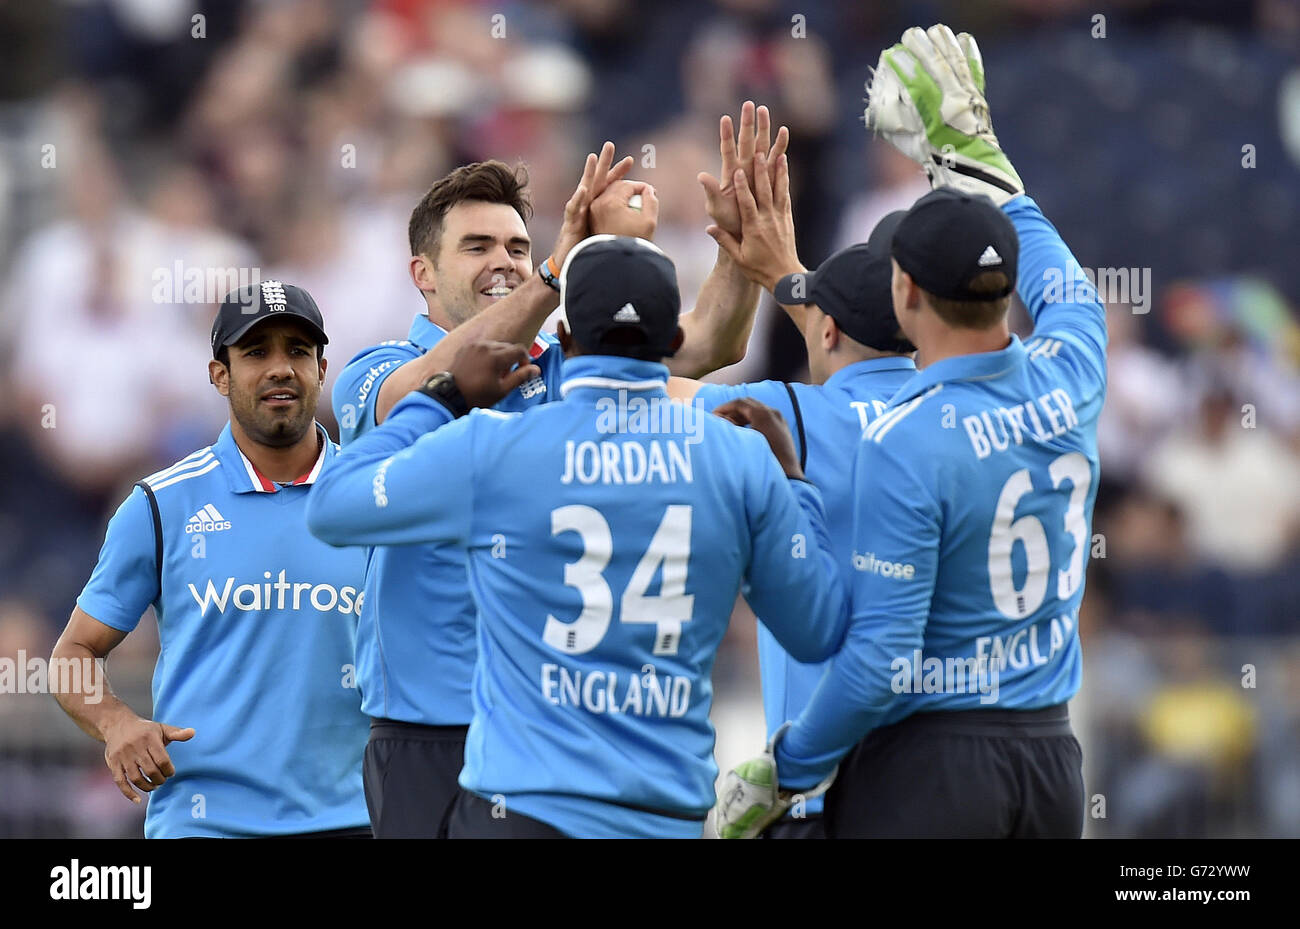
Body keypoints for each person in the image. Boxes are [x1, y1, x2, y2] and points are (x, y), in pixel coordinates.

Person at [329, 104, 789, 837]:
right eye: (477, 246)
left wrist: (738, 246)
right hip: (427, 732)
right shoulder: (377, 368)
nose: (504, 261)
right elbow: (419, 394)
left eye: (517, 244)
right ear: (422, 273)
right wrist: (551, 272)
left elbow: (708, 341)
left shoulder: (558, 358)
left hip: (542, 737)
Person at [718, 25, 1102, 839]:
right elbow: (1054, 275)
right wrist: (983, 158)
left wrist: (785, 768)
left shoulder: (909, 437)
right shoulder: (1076, 367)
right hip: (1052, 760)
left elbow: (881, 663)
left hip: (932, 769)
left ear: (905, 292)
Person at [50, 282, 371, 838]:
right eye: (255, 352)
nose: (280, 368)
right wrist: (117, 723)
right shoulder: (160, 504)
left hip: (355, 821)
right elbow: (73, 652)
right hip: (206, 826)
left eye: (297, 351)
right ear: (218, 374)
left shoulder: (379, 495)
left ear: (322, 368)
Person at [668, 153, 917, 838]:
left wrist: (737, 263)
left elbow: (638, 387)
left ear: (829, 330)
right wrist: (775, 274)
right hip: (941, 779)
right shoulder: (954, 415)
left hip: (820, 789)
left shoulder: (786, 415)